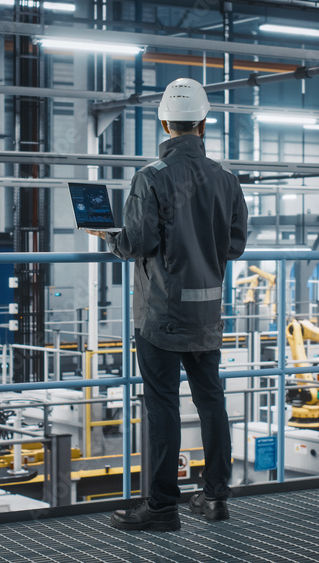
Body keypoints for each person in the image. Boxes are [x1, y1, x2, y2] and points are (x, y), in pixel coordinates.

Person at [89, 77, 248, 532]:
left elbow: (138, 242)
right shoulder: (227, 179)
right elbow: (235, 247)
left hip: (161, 314)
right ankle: (215, 497)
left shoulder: (151, 177)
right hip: (208, 311)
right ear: (203, 123)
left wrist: (110, 238)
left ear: (164, 122)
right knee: (211, 400)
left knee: (163, 407)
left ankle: (161, 507)